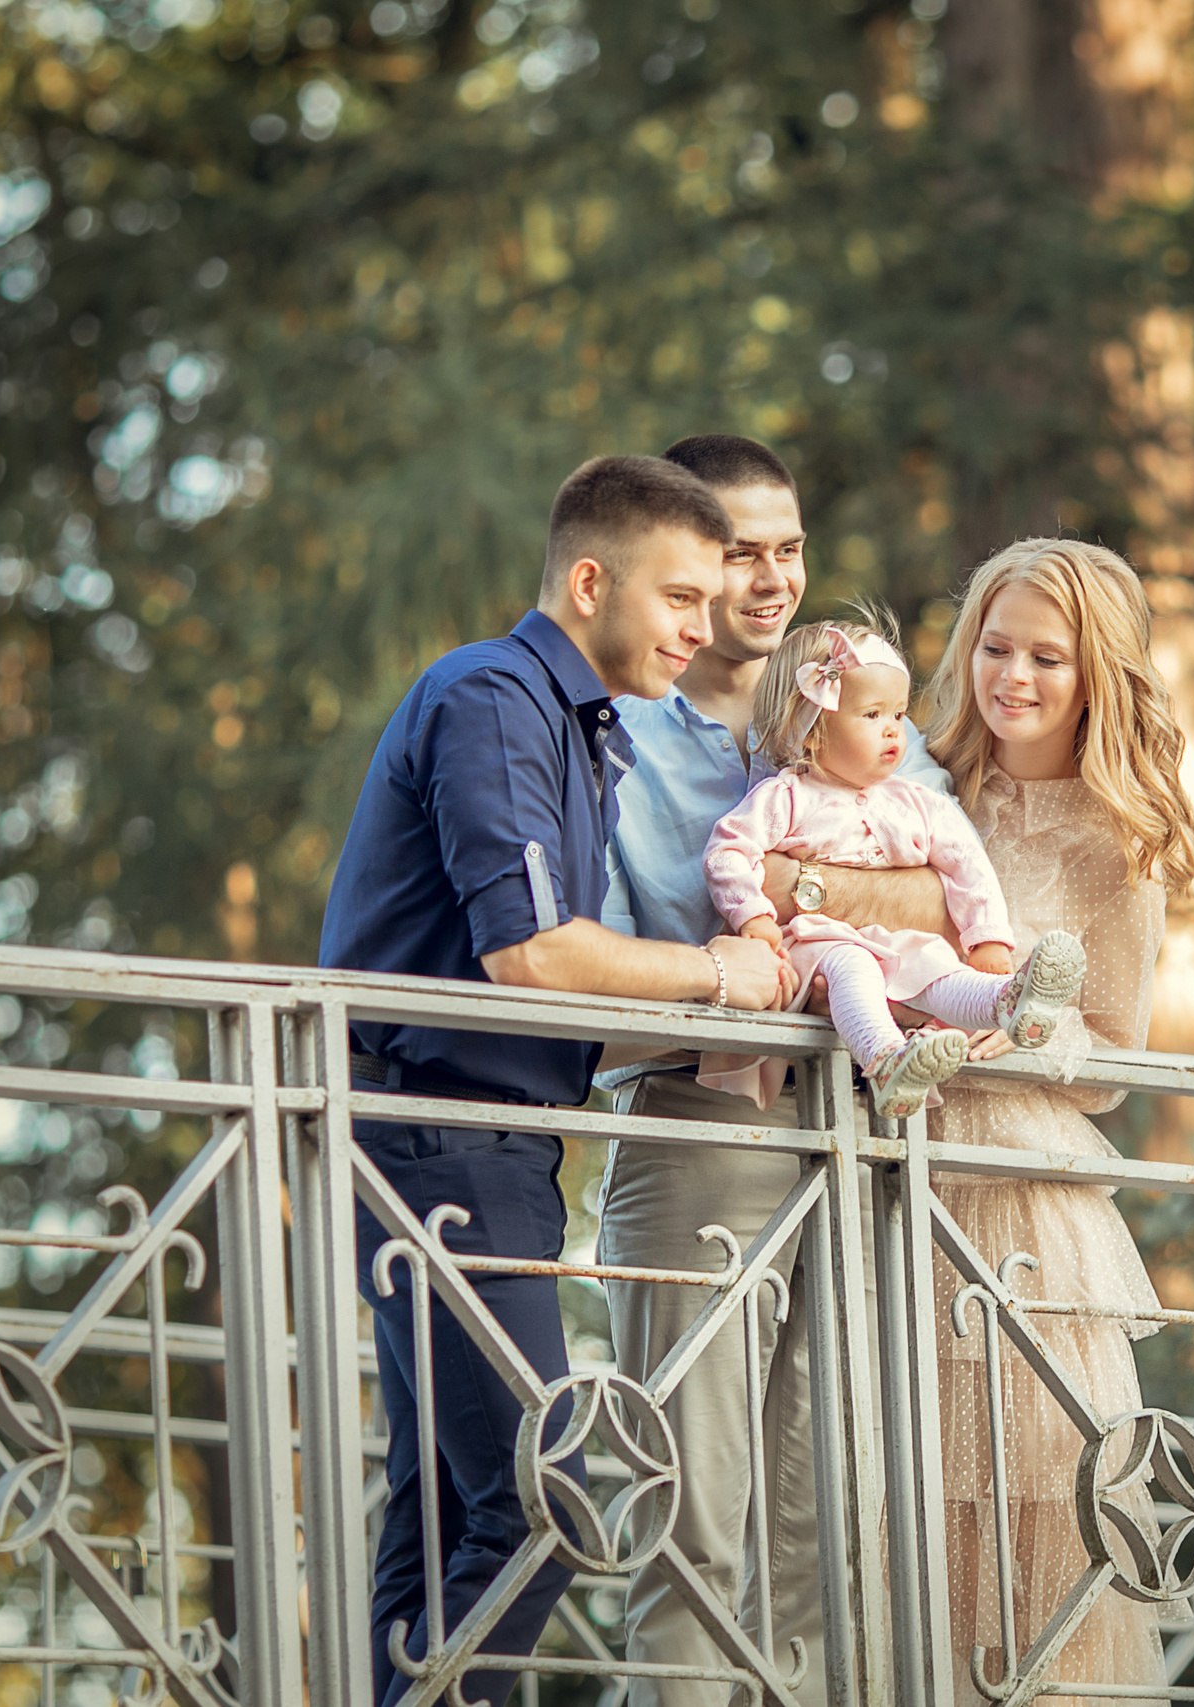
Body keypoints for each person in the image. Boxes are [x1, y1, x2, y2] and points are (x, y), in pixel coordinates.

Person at [318, 454, 793, 1707]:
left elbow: (558, 1002)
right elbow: (533, 958)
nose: (706, 627)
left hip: (489, 1140)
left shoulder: (575, 728)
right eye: (682, 599)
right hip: (443, 1140)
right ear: (591, 582)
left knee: (441, 1515)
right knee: (556, 1494)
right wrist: (718, 976)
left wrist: (740, 1007)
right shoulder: (494, 697)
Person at [594, 434, 962, 1707]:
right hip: (700, 1125)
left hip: (856, 1135)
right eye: (738, 553)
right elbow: (606, 954)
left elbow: (950, 893)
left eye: (789, 549)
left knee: (821, 1523)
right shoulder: (622, 739)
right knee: (692, 1520)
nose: (768, 579)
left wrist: (799, 888)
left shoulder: (860, 709)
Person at [917, 538, 1194, 1702]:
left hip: (1022, 1200)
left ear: (1095, 674)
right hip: (891, 1172)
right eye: (996, 647)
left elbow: (1109, 1058)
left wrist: (1013, 1040)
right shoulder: (921, 790)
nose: (1015, 677)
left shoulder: (1115, 838)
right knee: (897, 1508)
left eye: (1048, 656)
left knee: (1034, 1514)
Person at [703, 615, 1088, 1117]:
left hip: (890, 940)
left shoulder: (915, 802)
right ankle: (885, 1061)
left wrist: (988, 938)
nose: (894, 730)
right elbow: (728, 851)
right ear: (811, 729)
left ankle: (1006, 1003)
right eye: (872, 715)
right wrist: (752, 916)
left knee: (931, 961)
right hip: (811, 943)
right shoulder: (785, 798)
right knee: (853, 964)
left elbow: (966, 867)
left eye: (899, 713)